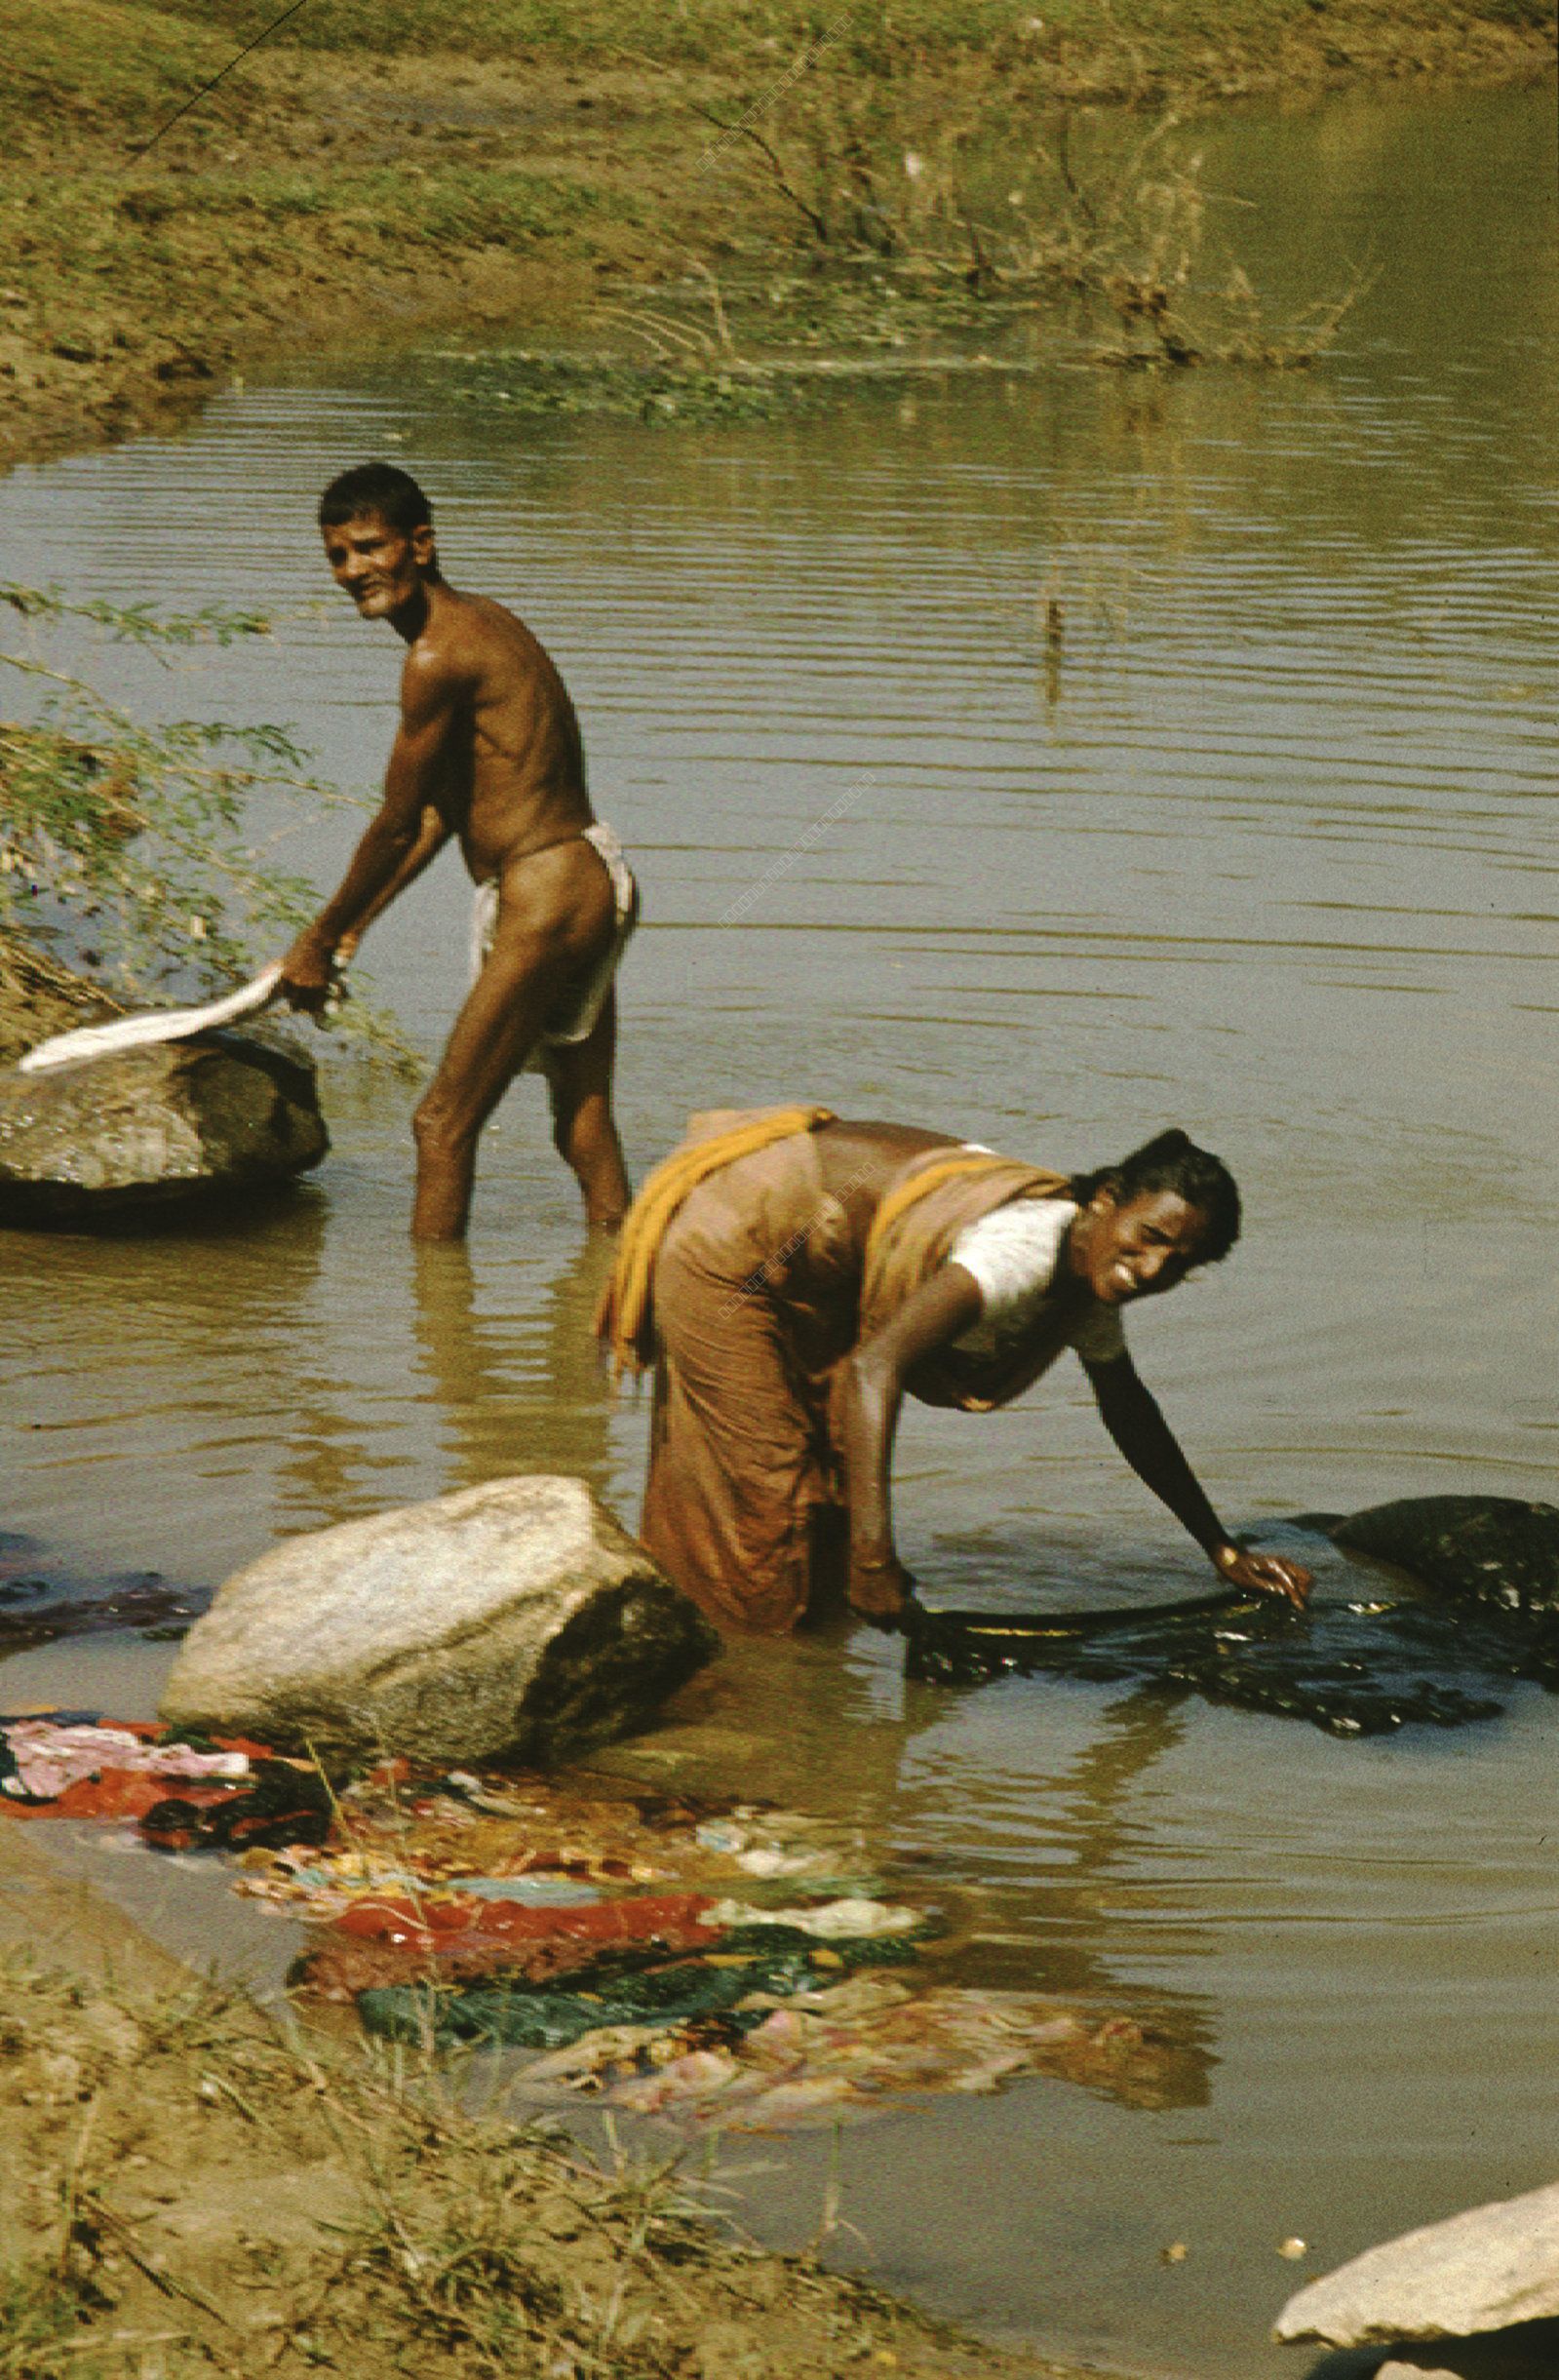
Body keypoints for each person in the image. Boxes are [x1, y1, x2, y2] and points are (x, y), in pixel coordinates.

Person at [597, 1108, 1312, 1634]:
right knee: (767, 1491)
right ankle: (737, 1688)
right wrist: (877, 1560)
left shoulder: (1086, 1277)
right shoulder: (1024, 1251)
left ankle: (792, 1670)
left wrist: (1219, 1547)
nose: (1152, 1269)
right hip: (746, 1250)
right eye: (1149, 1237)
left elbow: (1127, 1408)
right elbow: (874, 1370)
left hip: (818, 1256)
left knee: (831, 1496)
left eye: (1180, 1264)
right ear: (1105, 1200)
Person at [279, 461, 634, 1240]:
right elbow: (442, 816)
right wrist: (347, 931)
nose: (353, 572)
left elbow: (398, 823)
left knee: (440, 1124)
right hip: (590, 875)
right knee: (581, 1120)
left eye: (370, 548)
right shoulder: (485, 620)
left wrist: (310, 940)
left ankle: (437, 1343)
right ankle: (623, 1299)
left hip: (544, 893)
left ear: (421, 543)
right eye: (338, 556)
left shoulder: (437, 657)